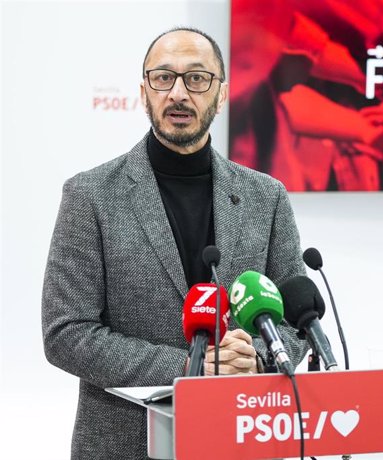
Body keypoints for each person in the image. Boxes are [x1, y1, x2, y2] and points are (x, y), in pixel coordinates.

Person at [41, 27, 307, 459]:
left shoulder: (267, 197)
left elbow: (297, 318)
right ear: (144, 92)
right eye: (164, 78)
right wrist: (190, 367)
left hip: (243, 437)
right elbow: (66, 333)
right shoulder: (90, 195)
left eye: (197, 78)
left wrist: (258, 357)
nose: (179, 93)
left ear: (220, 94)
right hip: (126, 443)